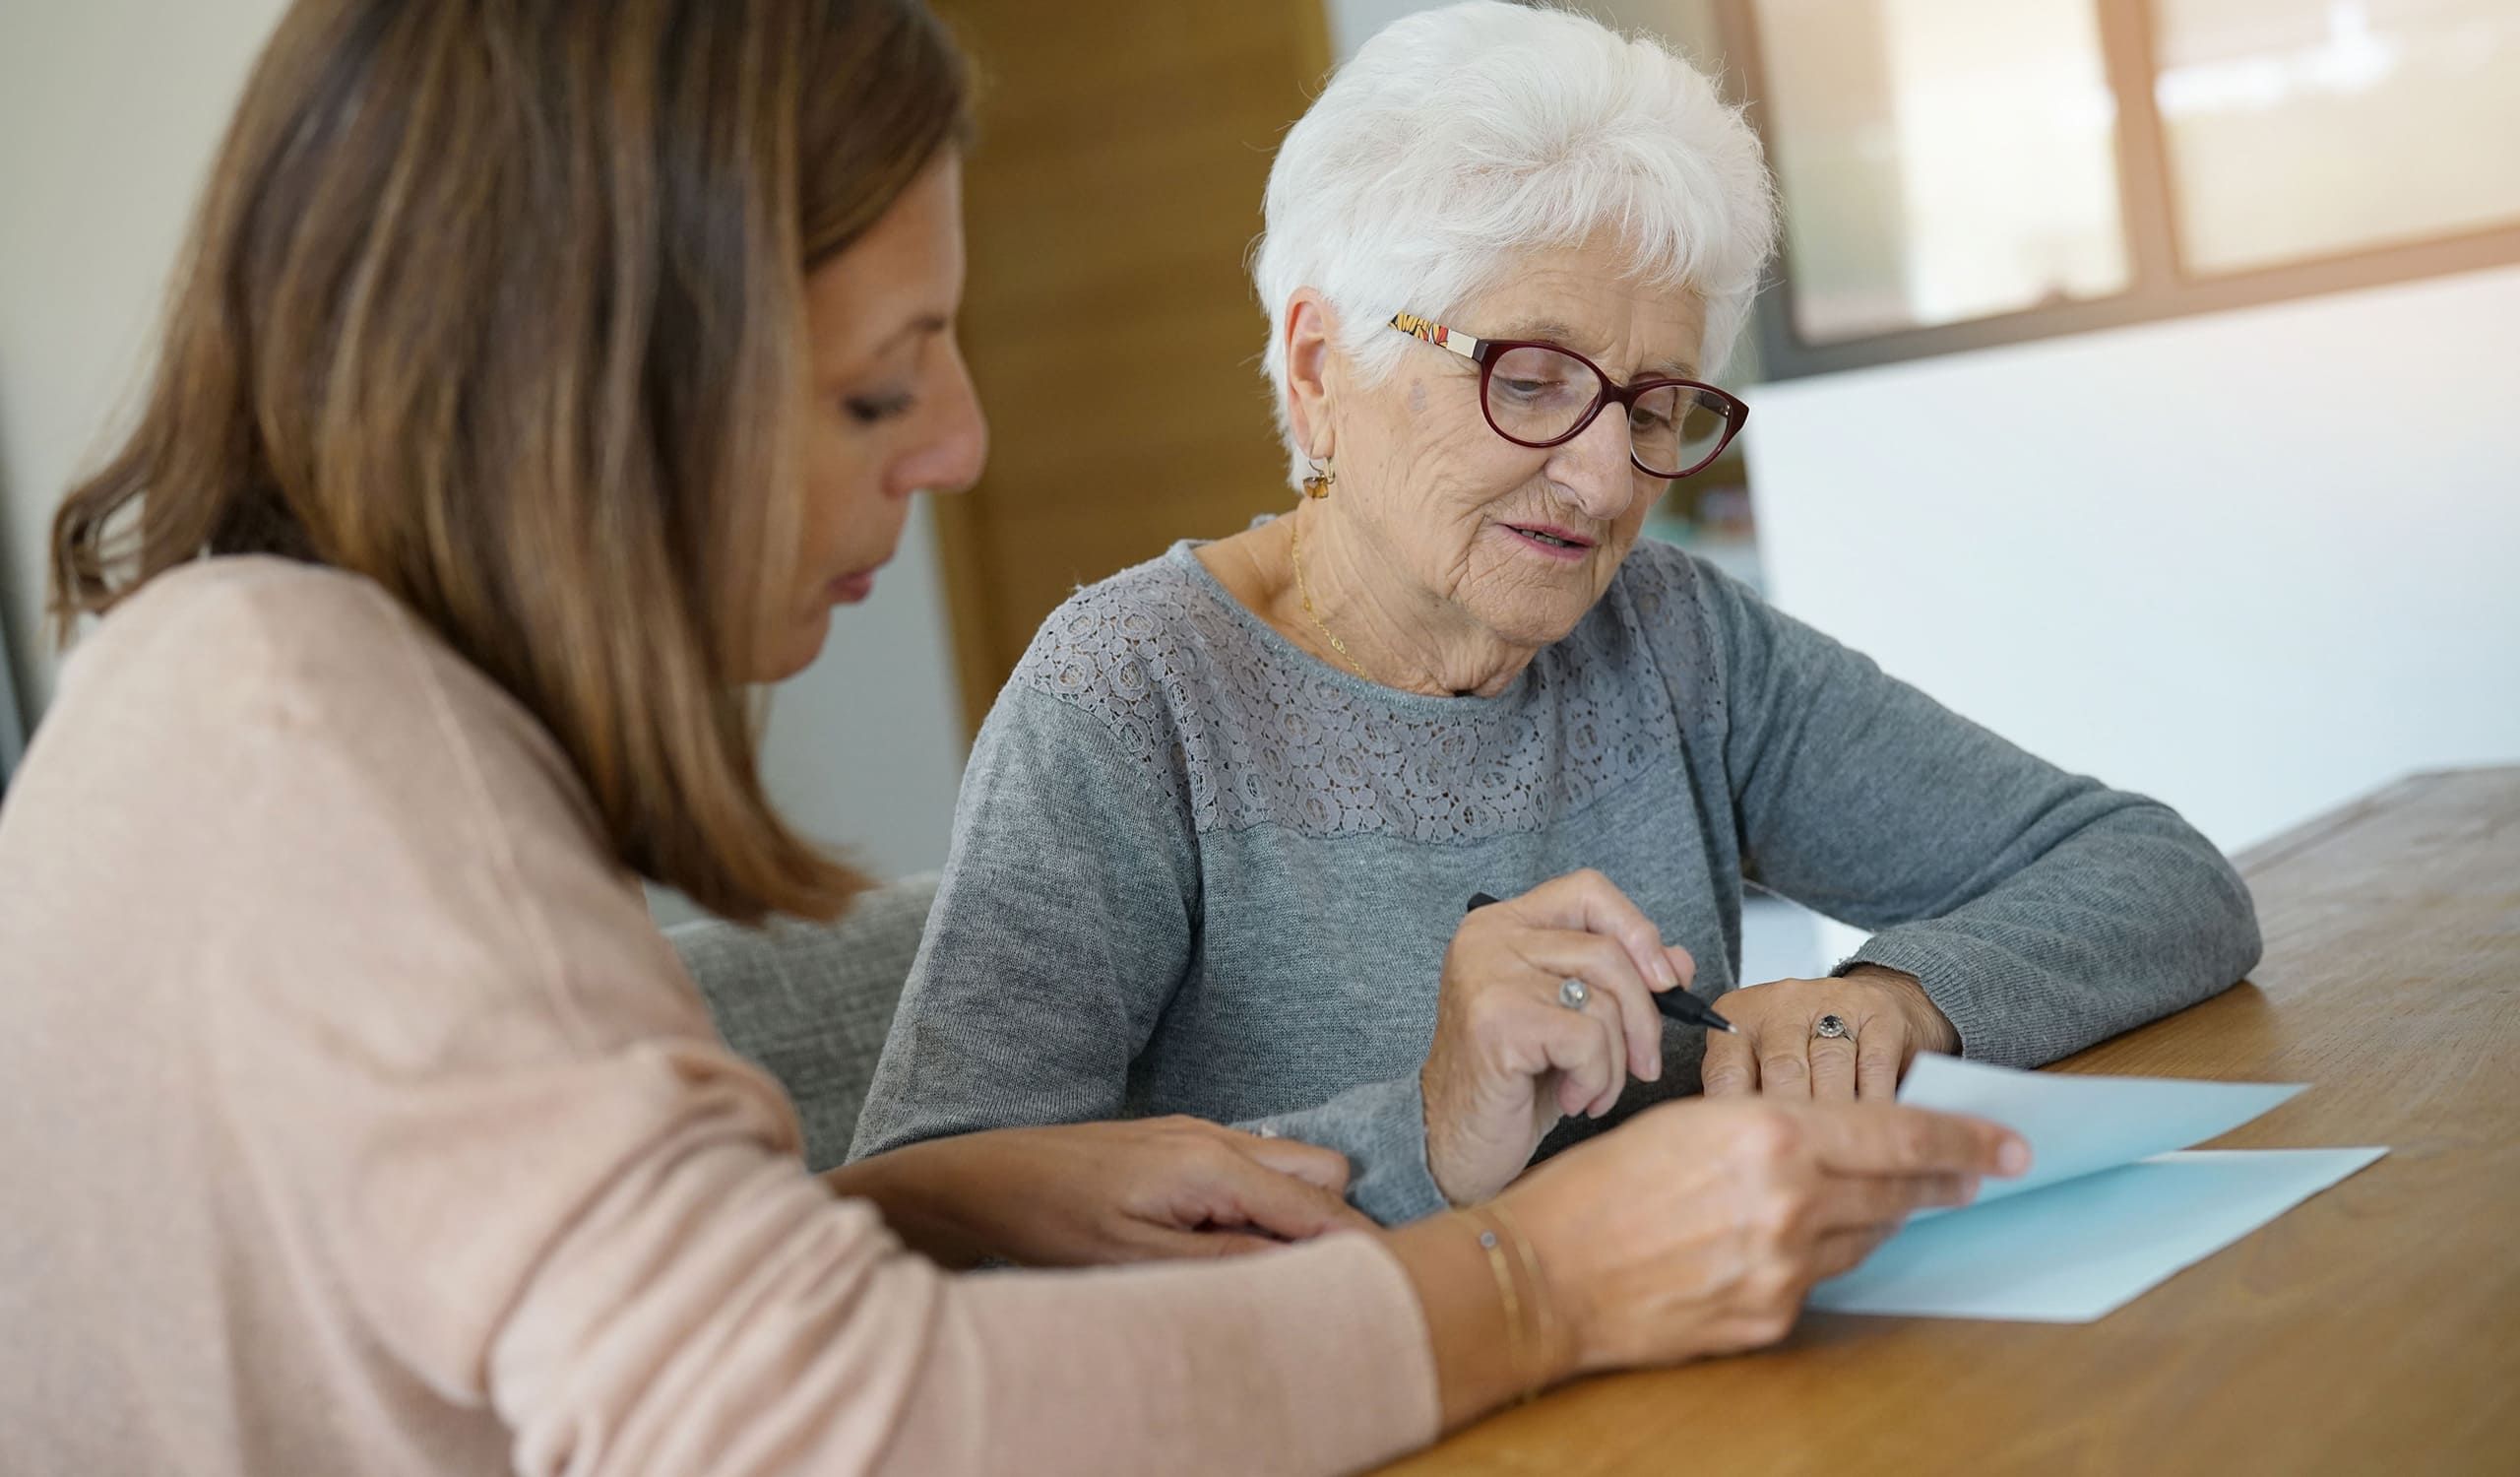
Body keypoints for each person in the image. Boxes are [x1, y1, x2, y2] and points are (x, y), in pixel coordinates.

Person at [0, 3, 2026, 1474]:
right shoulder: (325, 760)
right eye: (881, 394)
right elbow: (821, 1423)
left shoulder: (260, 702)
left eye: (1649, 405)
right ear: (595, 389)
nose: (960, 448)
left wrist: (917, 1208)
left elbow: (505, 1331)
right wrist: (1534, 1284)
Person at [851, 0, 2260, 1224]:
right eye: (1530, 378)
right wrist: (1431, 1131)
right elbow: (940, 1204)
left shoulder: (1670, 638)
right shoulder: (1136, 691)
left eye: (1654, 402)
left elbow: (2154, 875)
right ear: (1321, 362)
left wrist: (1894, 997)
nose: (1600, 479)